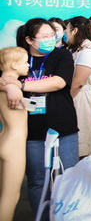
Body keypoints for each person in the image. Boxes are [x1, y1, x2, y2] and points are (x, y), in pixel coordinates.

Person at [0, 18, 77, 219]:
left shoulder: (62, 55)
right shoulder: (18, 57)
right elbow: (4, 78)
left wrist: (20, 86)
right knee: (36, 181)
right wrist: (9, 86)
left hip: (62, 126)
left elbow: (59, 82)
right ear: (29, 40)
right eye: (44, 36)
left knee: (67, 178)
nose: (50, 39)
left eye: (52, 35)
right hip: (32, 130)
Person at [0, 47, 30, 221]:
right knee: (10, 196)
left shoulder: (5, 84)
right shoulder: (12, 87)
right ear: (13, 64)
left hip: (4, 138)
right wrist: (13, 87)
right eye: (25, 62)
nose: (28, 65)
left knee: (3, 192)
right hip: (14, 146)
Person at [65, 16, 91, 158]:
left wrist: (65, 100)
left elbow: (78, 82)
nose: (65, 33)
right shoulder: (76, 50)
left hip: (79, 97)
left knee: (80, 139)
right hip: (74, 94)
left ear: (74, 31)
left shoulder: (87, 52)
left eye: (66, 29)